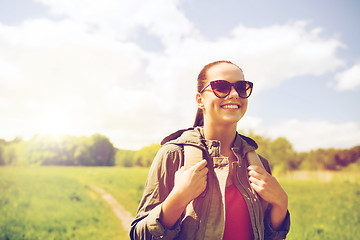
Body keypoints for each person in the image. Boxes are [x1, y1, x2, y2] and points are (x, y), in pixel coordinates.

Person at [130, 60, 290, 239]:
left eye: (241, 87)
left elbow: (270, 236)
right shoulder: (173, 155)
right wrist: (178, 198)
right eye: (221, 87)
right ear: (200, 100)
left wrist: (281, 203)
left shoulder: (259, 164)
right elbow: (139, 235)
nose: (235, 94)